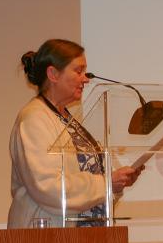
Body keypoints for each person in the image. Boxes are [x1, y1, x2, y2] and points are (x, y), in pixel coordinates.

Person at [8, 38, 142, 228]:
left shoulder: (66, 118)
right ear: (53, 74)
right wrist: (107, 183)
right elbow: (48, 187)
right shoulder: (34, 119)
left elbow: (88, 177)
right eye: (78, 71)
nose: (86, 79)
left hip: (84, 237)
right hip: (46, 236)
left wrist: (117, 182)